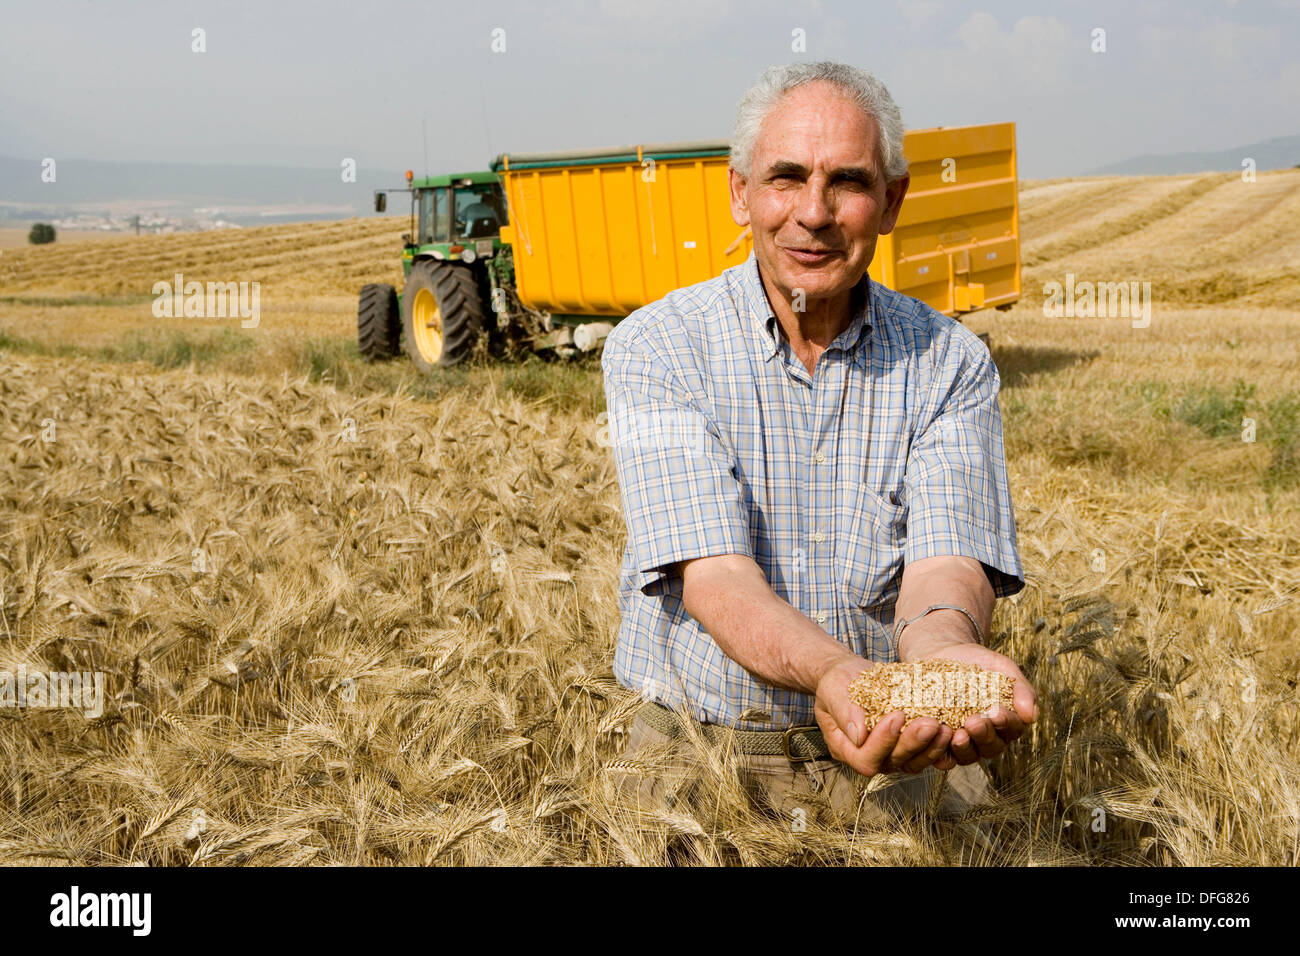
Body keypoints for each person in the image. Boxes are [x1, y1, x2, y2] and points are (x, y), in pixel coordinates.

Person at [601, 61, 1037, 823]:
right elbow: (715, 577)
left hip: (898, 741)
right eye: (787, 178)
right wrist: (840, 673)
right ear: (740, 194)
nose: (814, 213)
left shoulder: (949, 361)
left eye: (849, 183)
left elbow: (945, 561)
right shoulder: (658, 348)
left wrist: (939, 660)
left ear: (892, 201)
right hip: (702, 752)